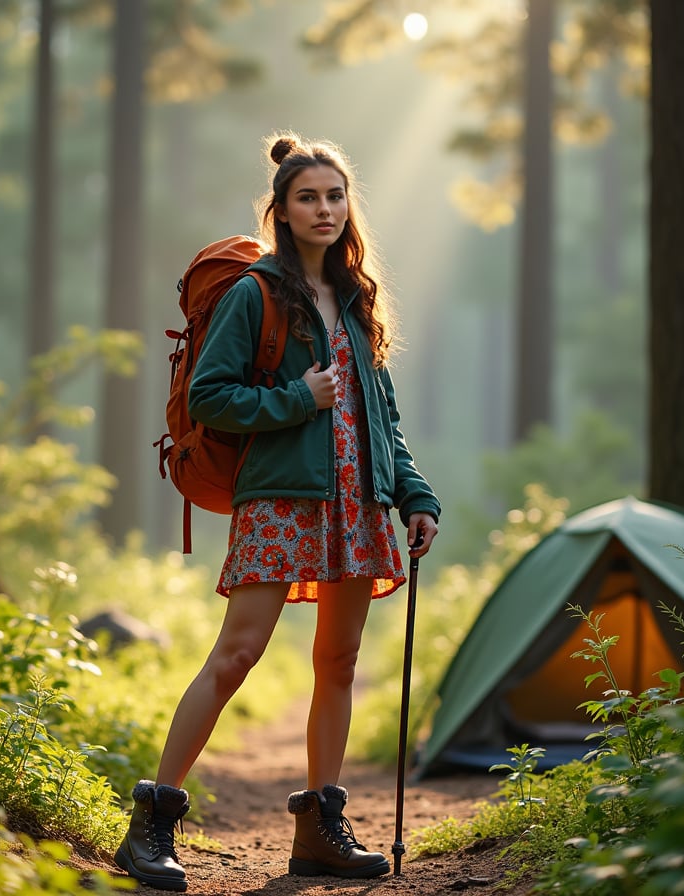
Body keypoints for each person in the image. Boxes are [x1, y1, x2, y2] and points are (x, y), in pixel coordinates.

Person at [113, 132, 440, 892]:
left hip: (358, 503)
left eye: (334, 196)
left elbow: (382, 417)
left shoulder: (358, 301)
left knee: (340, 662)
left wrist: (414, 496)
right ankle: (153, 823)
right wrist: (300, 398)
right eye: (308, 198)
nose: (324, 209)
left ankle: (321, 827)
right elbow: (211, 397)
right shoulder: (254, 293)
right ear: (282, 212)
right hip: (282, 498)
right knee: (237, 655)